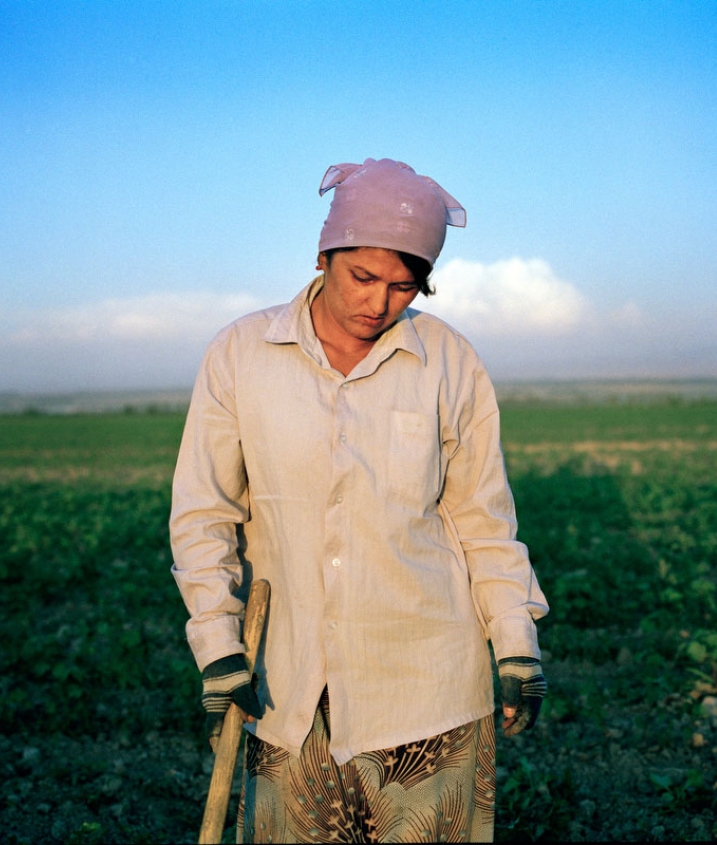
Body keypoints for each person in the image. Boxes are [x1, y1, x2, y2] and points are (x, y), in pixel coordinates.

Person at [170, 158, 549, 843]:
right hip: (288, 694)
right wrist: (218, 649)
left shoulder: (448, 361)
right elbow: (204, 514)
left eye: (403, 287)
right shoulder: (240, 354)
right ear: (323, 256)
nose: (378, 303)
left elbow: (482, 515)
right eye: (363, 277)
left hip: (430, 691)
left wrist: (516, 642)